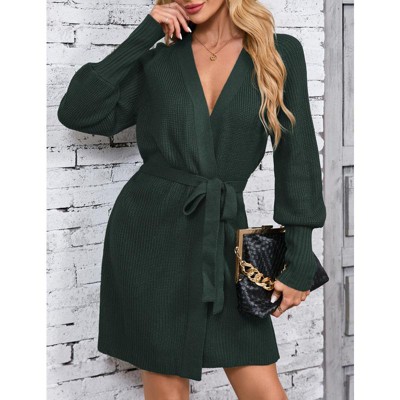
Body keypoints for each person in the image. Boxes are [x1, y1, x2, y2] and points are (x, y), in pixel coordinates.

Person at [57, 0, 326, 398]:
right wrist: (144, 35)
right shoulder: (159, 61)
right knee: (165, 386)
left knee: (261, 384)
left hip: (224, 235)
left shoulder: (278, 51)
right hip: (149, 236)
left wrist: (299, 253)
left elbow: (297, 159)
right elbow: (78, 112)